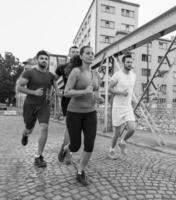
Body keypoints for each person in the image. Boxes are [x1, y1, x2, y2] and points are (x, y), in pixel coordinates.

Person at [58, 46, 104, 186]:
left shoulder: (96, 74)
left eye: (92, 54)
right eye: (88, 53)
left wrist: (98, 98)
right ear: (82, 56)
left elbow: (95, 92)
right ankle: (65, 149)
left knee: (89, 144)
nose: (91, 56)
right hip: (75, 113)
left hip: (90, 113)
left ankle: (80, 171)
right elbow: (66, 92)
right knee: (75, 146)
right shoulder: (76, 72)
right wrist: (84, 91)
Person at [16, 50, 58, 168]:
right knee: (29, 129)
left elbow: (54, 82)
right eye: (42, 58)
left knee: (44, 127)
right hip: (30, 105)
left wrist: (56, 92)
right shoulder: (29, 73)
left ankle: (38, 156)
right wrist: (33, 92)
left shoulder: (50, 75)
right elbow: (19, 87)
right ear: (37, 60)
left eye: (46, 59)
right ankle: (25, 134)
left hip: (43, 105)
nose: (44, 60)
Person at [108, 54, 136, 158]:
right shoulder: (117, 75)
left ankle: (123, 141)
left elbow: (131, 91)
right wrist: (120, 93)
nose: (130, 64)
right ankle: (111, 149)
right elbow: (109, 89)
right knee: (116, 132)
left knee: (132, 128)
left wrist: (135, 101)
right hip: (117, 107)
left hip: (128, 107)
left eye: (131, 62)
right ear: (123, 63)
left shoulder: (133, 75)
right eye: (128, 62)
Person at [55, 45, 79, 164]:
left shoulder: (82, 67)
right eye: (73, 51)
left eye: (77, 51)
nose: (75, 53)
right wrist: (57, 90)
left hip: (80, 99)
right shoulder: (63, 68)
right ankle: (68, 153)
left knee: (77, 130)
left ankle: (64, 148)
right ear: (69, 54)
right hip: (67, 100)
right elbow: (53, 79)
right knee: (70, 128)